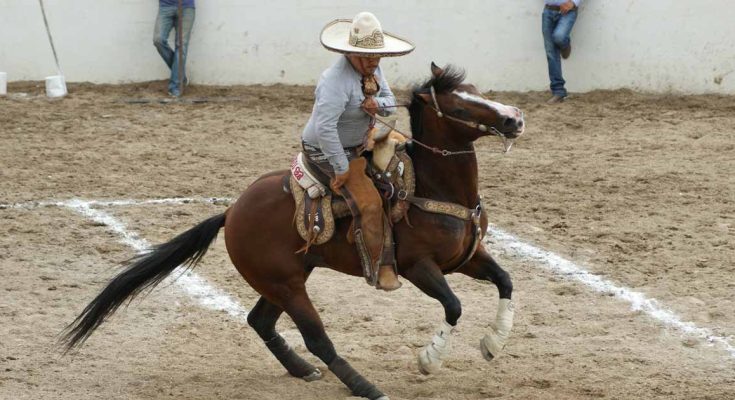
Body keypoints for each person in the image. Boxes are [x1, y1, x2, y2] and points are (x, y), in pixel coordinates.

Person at [301, 12, 414, 291]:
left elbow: (389, 102)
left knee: (404, 167)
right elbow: (326, 130)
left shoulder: (373, 70)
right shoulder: (334, 81)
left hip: (363, 142)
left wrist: (376, 104)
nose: (373, 62)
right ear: (350, 53)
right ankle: (380, 266)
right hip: (326, 150)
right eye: (367, 57)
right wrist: (340, 167)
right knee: (371, 202)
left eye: (376, 57)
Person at [153, 0, 195, 97]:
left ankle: (175, 87)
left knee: (181, 45)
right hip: (165, 7)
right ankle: (181, 77)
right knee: (158, 40)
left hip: (186, 7)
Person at [542, 0, 581, 104]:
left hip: (568, 11)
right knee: (551, 53)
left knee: (559, 37)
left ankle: (565, 44)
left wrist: (573, 2)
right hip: (548, 11)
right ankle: (558, 91)